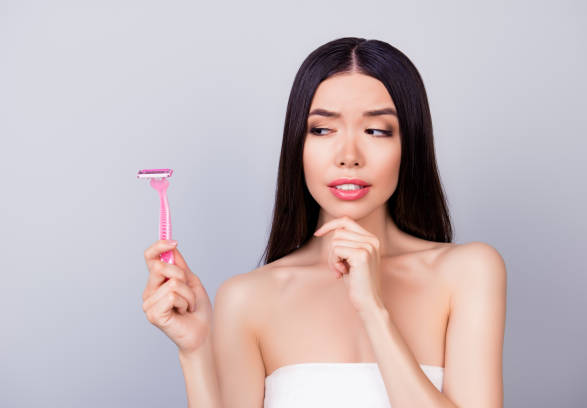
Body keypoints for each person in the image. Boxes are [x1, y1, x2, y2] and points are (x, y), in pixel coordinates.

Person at [142, 37, 507, 408]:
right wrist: (196, 350)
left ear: (409, 144)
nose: (348, 156)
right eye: (322, 130)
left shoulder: (468, 272)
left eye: (377, 130)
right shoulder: (247, 298)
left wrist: (373, 310)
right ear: (297, 146)